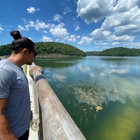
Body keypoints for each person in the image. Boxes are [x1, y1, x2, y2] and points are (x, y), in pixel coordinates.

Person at [0, 30, 37, 140]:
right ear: (25, 51)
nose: (35, 57)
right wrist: (10, 137)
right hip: (13, 134)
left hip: (22, 129)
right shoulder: (4, 71)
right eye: (34, 53)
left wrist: (27, 112)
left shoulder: (16, 68)